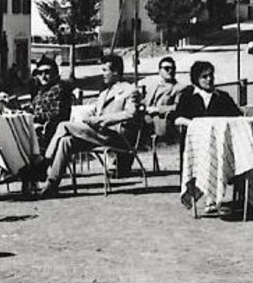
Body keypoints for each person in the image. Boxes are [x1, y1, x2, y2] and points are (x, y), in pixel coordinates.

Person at [37, 55, 143, 195]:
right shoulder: (104, 92)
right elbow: (94, 111)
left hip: (116, 136)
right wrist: (89, 118)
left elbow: (131, 114)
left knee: (63, 126)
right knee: (65, 141)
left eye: (105, 70)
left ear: (116, 72)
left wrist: (102, 120)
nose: (103, 74)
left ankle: (43, 163)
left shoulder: (130, 90)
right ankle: (52, 184)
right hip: (99, 135)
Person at [173, 60, 241, 127]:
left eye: (211, 75)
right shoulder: (187, 97)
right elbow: (177, 118)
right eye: (204, 77)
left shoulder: (223, 97)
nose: (209, 79)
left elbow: (237, 116)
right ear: (196, 79)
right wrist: (193, 125)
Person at [27, 56, 76, 146]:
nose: (42, 76)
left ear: (55, 73)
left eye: (46, 72)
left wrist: (35, 117)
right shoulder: (41, 91)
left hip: (52, 134)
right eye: (39, 73)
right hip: (38, 130)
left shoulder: (59, 89)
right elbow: (31, 109)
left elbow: (56, 114)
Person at [141, 56, 186, 142]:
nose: (170, 71)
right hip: (145, 115)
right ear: (159, 71)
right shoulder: (154, 86)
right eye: (166, 68)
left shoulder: (179, 88)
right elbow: (146, 101)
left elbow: (177, 106)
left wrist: (157, 109)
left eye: (173, 68)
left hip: (162, 118)